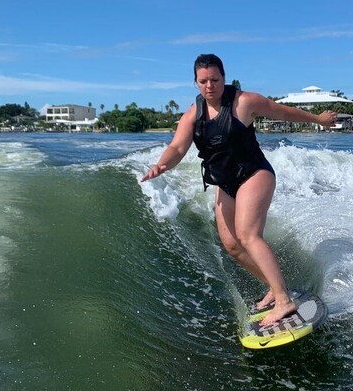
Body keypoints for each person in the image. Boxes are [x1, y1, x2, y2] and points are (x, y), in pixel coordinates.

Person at [141, 54, 337, 326]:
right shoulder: (192, 114)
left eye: (215, 79)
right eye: (203, 81)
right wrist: (161, 165)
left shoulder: (243, 102)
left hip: (254, 174)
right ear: (196, 83)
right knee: (232, 245)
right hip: (225, 183)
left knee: (248, 234)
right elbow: (177, 148)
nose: (209, 85)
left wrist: (318, 118)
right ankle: (274, 286)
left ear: (224, 78)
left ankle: (283, 301)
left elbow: (282, 111)